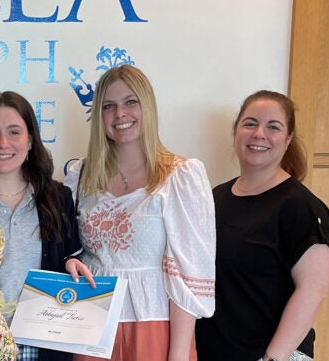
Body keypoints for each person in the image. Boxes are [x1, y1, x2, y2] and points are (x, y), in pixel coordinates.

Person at [64, 65, 216, 361]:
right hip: (91, 322)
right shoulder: (81, 176)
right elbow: (66, 246)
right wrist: (70, 259)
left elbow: (187, 274)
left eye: (130, 102)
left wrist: (179, 355)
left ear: (147, 106)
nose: (120, 114)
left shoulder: (180, 176)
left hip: (155, 325)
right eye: (109, 106)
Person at [0, 91, 95, 361]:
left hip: (42, 348)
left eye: (14, 132)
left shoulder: (59, 200)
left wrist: (71, 262)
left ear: (31, 140)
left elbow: (70, 258)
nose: (3, 143)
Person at [195, 90, 329, 361]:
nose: (259, 134)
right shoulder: (214, 198)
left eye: (273, 127)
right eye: (250, 123)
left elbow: (314, 289)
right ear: (235, 131)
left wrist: (272, 358)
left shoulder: (299, 205)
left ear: (288, 138)